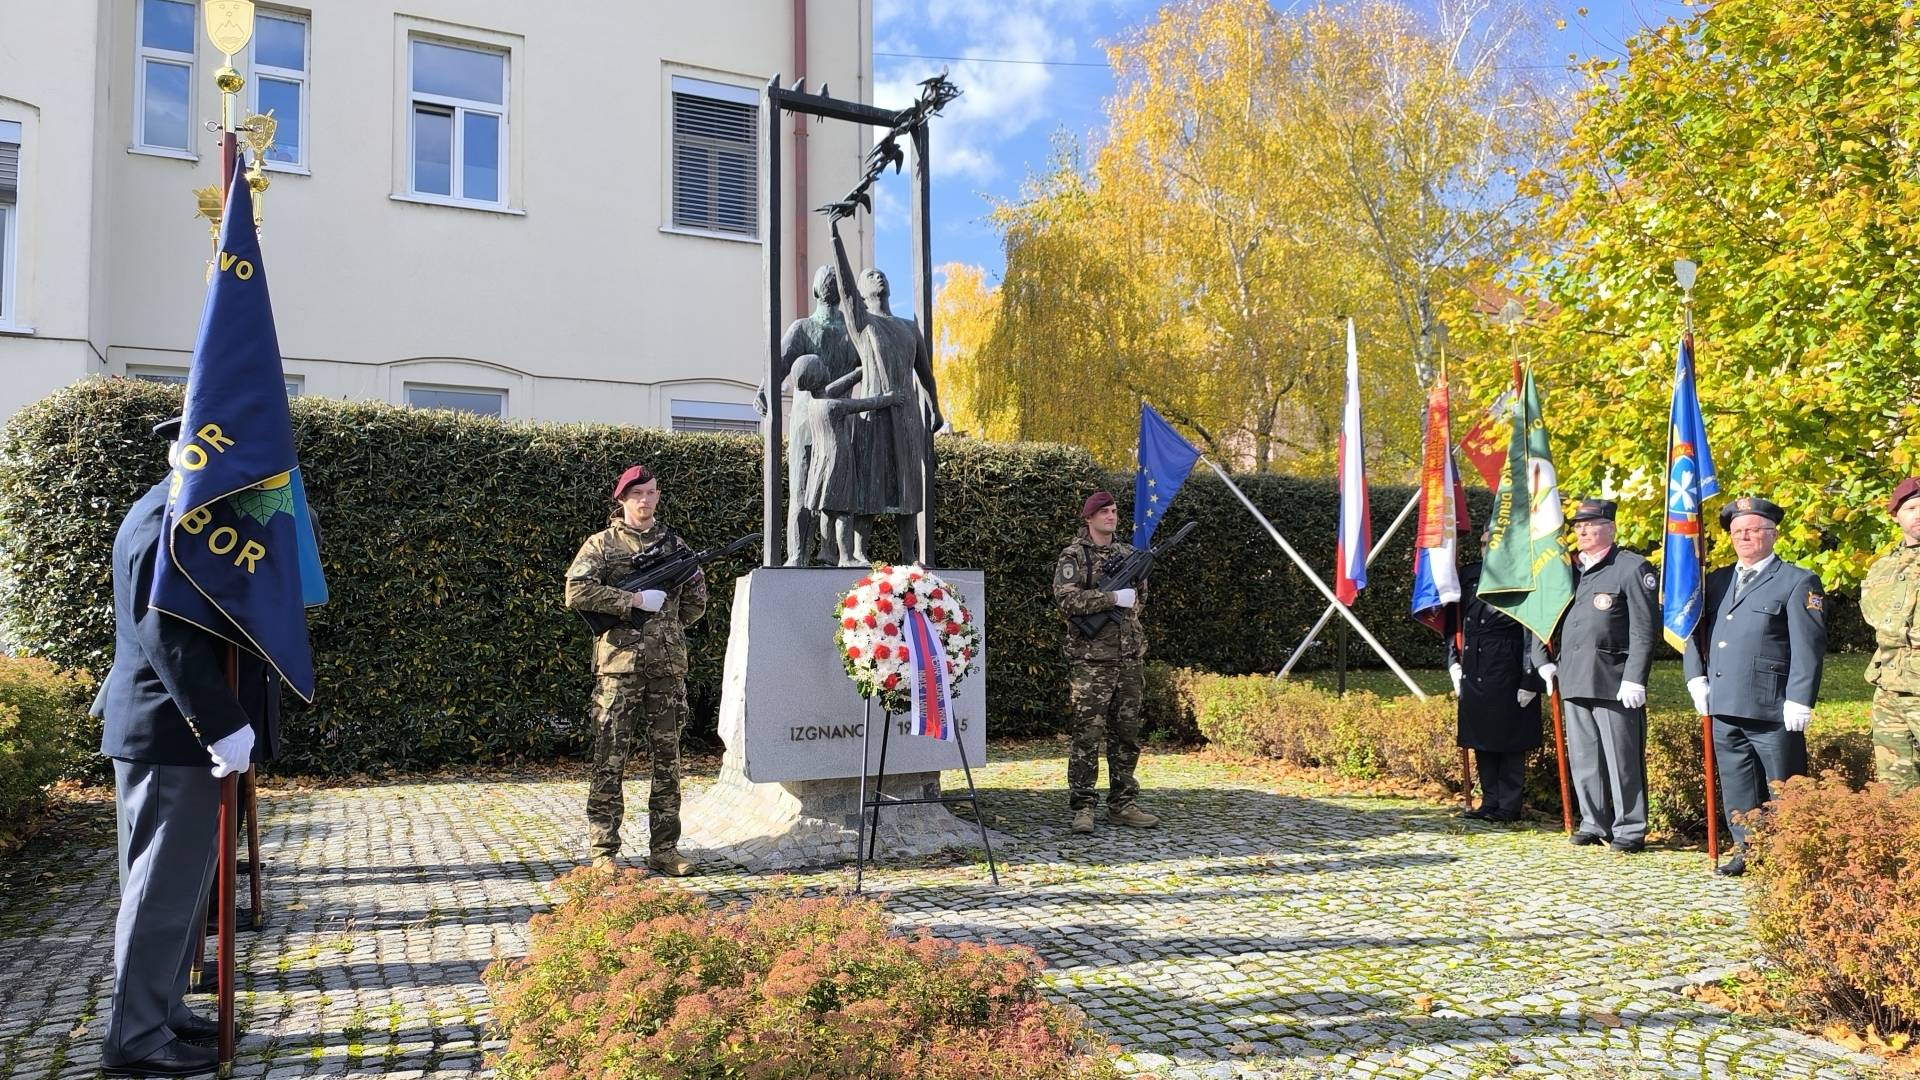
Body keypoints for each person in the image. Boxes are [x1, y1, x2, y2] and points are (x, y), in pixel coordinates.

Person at [93, 419, 257, 1078]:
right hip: (171, 731)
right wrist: (219, 721)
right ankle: (134, 1038)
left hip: (172, 730)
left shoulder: (184, 512)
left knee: (184, 885)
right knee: (160, 888)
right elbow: (165, 634)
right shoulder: (167, 516)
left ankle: (161, 1010)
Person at [563, 465, 708, 876]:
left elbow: (695, 605)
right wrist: (633, 601)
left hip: (667, 668)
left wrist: (668, 622)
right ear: (622, 500)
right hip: (618, 669)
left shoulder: (676, 546)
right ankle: (604, 851)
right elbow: (576, 591)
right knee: (610, 757)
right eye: (636, 494)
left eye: (650, 493)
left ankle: (665, 850)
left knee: (669, 760)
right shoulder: (602, 545)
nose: (643, 501)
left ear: (658, 496)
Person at [1683, 496, 1826, 876]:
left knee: (1786, 785)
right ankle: (1749, 850)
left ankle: (1791, 855)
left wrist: (1800, 698)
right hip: (1724, 701)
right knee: (1737, 783)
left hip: (1771, 704)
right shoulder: (1715, 580)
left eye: (1755, 529)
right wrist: (1694, 675)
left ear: (1773, 534)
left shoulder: (1797, 580)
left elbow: (1808, 645)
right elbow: (1694, 633)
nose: (1745, 537)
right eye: (1738, 531)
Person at [1533, 499, 1658, 853]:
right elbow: (1542, 615)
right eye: (1578, 526)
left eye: (1591, 525)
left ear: (1611, 529)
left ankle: (1630, 827)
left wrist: (1636, 677)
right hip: (1573, 676)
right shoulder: (1566, 571)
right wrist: (1541, 659)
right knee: (1585, 757)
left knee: (1622, 757)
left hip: (1614, 679)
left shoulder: (1631, 568)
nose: (1583, 531)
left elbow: (1645, 629)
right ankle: (1594, 821)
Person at [827, 212, 943, 565]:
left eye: (880, 273)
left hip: (906, 413)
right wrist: (834, 236)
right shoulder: (863, 323)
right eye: (869, 275)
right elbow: (844, 286)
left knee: (908, 484)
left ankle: (909, 556)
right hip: (872, 413)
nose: (876, 275)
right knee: (869, 482)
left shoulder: (909, 326)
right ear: (861, 292)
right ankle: (860, 552)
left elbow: (925, 373)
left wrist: (935, 408)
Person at [1053, 490, 1158, 834]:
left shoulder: (1129, 554)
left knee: (1126, 735)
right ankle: (1083, 806)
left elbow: (1139, 600)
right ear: (1090, 518)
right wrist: (1111, 597)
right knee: (1088, 735)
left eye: (1114, 511)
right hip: (1091, 663)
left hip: (1128, 658)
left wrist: (1125, 600)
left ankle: (1123, 804)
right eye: (1105, 512)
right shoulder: (1074, 556)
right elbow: (1067, 600)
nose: (1112, 516)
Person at [756, 265, 862, 566]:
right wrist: (764, 390)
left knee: (835, 491)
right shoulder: (804, 328)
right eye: (824, 276)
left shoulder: (852, 330)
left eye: (834, 278)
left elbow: (870, 366)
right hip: (808, 423)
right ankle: (798, 555)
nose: (829, 278)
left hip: (837, 421)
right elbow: (777, 365)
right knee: (804, 490)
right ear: (818, 290)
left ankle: (831, 554)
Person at [1449, 536, 1546, 822]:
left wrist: (1530, 679)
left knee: (1510, 740)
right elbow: (1455, 623)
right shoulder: (1470, 575)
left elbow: (1533, 631)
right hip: (1475, 667)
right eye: (1483, 542)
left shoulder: (1524, 575)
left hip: (1509, 667)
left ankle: (1509, 805)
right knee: (1482, 738)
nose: (1487, 548)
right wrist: (1454, 662)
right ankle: (1489, 801)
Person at [1863, 477, 1920, 794]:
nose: (1918, 514)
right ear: (1896, 515)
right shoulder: (1882, 568)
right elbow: (1876, 619)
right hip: (1890, 690)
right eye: (1911, 508)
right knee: (1896, 786)